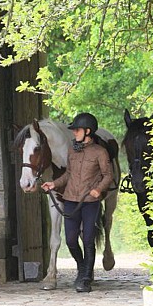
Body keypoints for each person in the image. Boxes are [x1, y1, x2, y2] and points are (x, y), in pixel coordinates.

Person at [41, 113, 113, 293]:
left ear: (88, 131)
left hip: (90, 201)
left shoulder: (100, 152)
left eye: (77, 130)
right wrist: (54, 184)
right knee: (71, 241)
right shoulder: (72, 151)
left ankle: (86, 277)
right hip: (71, 200)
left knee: (88, 240)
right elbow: (68, 175)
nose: (74, 133)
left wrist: (99, 189)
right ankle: (82, 267)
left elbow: (108, 176)